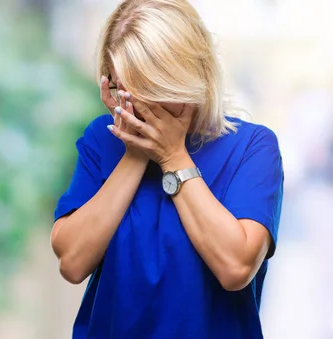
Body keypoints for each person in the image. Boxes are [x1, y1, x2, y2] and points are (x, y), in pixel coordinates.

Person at [49, 1, 284, 338]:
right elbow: (72, 262)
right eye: (127, 89)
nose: (141, 107)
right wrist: (135, 154)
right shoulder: (104, 139)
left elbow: (236, 267)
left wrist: (173, 156)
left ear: (189, 76)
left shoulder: (253, 147)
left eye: (154, 90)